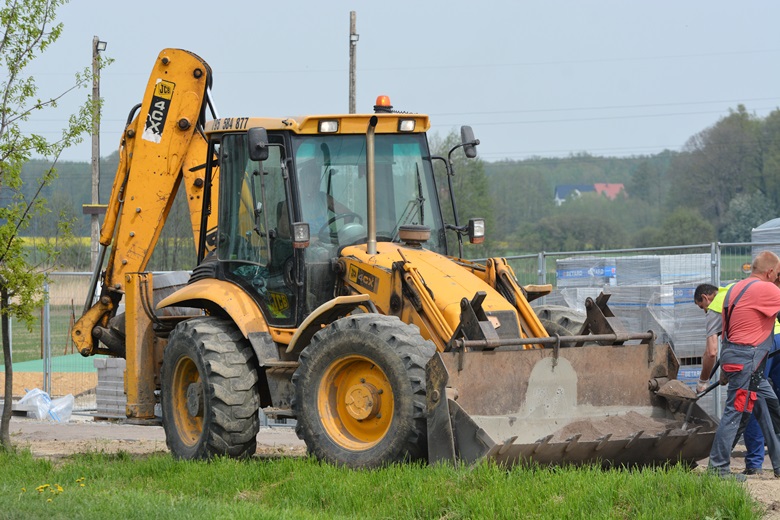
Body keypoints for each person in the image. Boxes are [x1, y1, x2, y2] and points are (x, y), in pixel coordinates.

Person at [706, 250, 780, 480]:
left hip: (737, 357)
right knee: (736, 413)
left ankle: (778, 463)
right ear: (769, 272)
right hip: (748, 360)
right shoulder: (767, 289)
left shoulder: (735, 288)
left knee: (768, 406)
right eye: (777, 273)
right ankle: (718, 469)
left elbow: (728, 328)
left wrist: (729, 366)